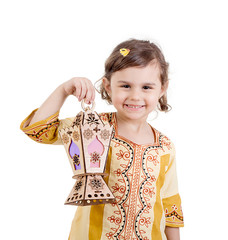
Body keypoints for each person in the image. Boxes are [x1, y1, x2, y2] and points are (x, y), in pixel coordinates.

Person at [20, 39, 184, 240]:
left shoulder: (165, 147)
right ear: (107, 86)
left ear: (162, 88)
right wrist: (63, 90)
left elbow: (170, 203)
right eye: (125, 85)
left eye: (146, 87)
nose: (135, 96)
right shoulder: (92, 128)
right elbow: (39, 131)